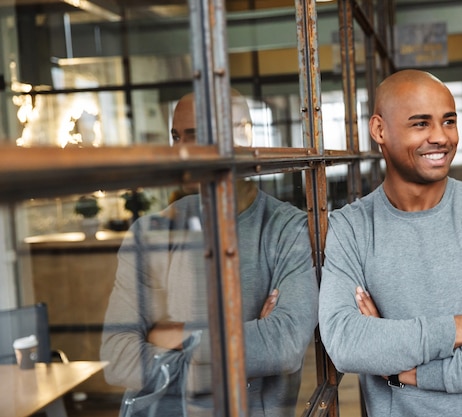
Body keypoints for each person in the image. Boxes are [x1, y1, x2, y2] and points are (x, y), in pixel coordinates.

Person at [318, 69, 462, 416]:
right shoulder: (350, 228)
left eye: (448, 121)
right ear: (379, 130)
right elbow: (347, 344)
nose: (440, 137)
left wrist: (408, 370)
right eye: (420, 124)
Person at [101, 90, 318, 417]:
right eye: (176, 137)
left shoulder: (288, 229)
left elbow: (283, 346)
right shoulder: (153, 232)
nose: (180, 151)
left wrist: (173, 334)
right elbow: (117, 357)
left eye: (195, 137)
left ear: (240, 137)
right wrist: (243, 344)